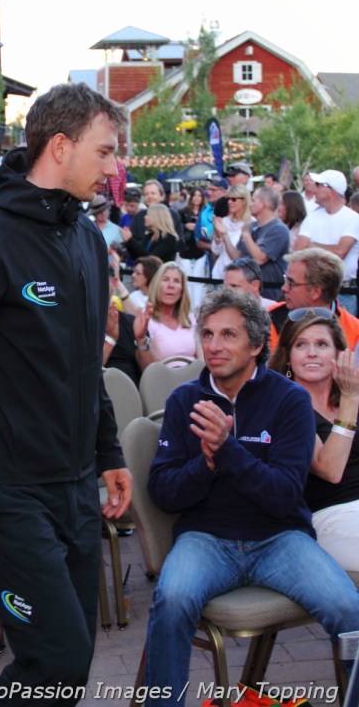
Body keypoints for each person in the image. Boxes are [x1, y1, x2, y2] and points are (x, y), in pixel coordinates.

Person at [0, 82, 132, 707]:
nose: (113, 168)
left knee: (73, 655)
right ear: (60, 146)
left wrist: (110, 452)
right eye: (105, 151)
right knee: (55, 657)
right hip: (8, 492)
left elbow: (86, 365)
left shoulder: (88, 239)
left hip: (77, 484)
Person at [143, 288, 359, 706]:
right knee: (171, 600)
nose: (214, 345)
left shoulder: (289, 399)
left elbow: (283, 496)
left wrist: (228, 452)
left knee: (350, 612)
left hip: (280, 538)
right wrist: (205, 464)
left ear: (257, 345)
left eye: (229, 335)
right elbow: (163, 493)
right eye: (208, 334)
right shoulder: (184, 400)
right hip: (206, 538)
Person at [269, 309, 359, 572]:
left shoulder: (350, 397)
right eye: (301, 345)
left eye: (321, 344)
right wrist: (350, 401)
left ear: (339, 354)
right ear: (288, 357)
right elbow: (330, 470)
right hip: (330, 518)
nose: (311, 353)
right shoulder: (282, 404)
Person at [268, 248, 359, 352]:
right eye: (285, 280)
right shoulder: (268, 318)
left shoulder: (355, 331)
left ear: (316, 292)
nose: (284, 288)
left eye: (291, 283)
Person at [294, 169, 359, 315]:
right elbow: (298, 250)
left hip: (343, 292)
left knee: (345, 329)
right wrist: (326, 248)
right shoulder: (312, 217)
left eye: (318, 184)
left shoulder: (353, 218)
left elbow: (340, 252)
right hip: (312, 291)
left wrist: (312, 245)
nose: (313, 188)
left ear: (330, 190)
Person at [133, 261, 198, 366]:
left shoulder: (191, 319)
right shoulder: (147, 321)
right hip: (164, 375)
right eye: (165, 280)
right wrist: (141, 339)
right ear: (156, 286)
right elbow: (149, 369)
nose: (171, 285)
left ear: (182, 290)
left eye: (176, 281)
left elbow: (202, 361)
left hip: (194, 374)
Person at [236, 186, 290, 301]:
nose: (250, 204)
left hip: (270, 295)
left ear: (264, 204)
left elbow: (260, 259)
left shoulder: (279, 229)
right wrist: (223, 235)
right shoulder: (251, 226)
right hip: (248, 294)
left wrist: (246, 233)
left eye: (253, 200)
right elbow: (237, 257)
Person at [104, 267, 155, 387]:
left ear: (114, 283)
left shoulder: (131, 322)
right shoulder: (78, 324)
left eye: (101, 279)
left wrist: (141, 339)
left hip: (131, 394)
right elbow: (85, 374)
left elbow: (150, 375)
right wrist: (111, 339)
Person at [211, 185, 252, 281]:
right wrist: (217, 234)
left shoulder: (251, 224)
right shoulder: (224, 221)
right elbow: (216, 251)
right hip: (219, 274)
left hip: (239, 278)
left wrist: (224, 235)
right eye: (228, 199)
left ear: (244, 201)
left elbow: (241, 257)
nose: (229, 202)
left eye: (233, 199)